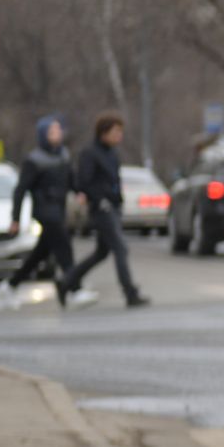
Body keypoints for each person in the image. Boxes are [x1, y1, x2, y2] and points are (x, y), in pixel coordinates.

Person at [64, 111, 151, 307]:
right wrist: (100, 200)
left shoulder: (112, 153)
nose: (119, 136)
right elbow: (83, 181)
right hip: (101, 209)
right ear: (103, 132)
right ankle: (130, 292)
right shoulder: (90, 153)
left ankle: (66, 281)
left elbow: (115, 181)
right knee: (121, 248)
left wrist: (118, 200)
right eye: (116, 131)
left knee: (102, 252)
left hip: (113, 206)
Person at [2, 115, 87, 309]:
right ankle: (75, 290)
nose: (57, 134)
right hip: (44, 211)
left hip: (58, 209)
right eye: (52, 131)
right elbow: (21, 190)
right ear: (43, 135)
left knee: (40, 253)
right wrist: (15, 218)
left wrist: (79, 192)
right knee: (64, 247)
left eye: (58, 130)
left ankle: (10, 284)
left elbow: (71, 180)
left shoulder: (63, 155)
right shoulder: (34, 160)